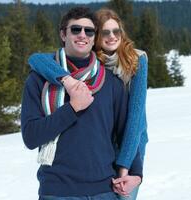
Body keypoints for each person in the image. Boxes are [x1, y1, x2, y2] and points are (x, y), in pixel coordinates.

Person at [21, 7, 143, 200]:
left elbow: (126, 131)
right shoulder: (39, 80)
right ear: (63, 34)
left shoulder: (111, 82)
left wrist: (136, 173)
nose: (82, 35)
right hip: (58, 192)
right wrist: (72, 108)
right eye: (75, 29)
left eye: (89, 31)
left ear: (94, 38)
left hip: (104, 190)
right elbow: (30, 137)